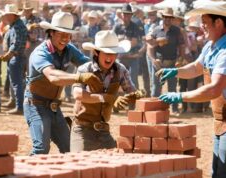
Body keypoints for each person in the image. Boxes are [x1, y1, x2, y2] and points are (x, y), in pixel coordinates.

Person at [156, 2, 226, 178]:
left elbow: (214, 90)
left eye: (205, 22)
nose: (202, 26)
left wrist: (180, 96)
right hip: (221, 121)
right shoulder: (211, 46)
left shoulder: (225, 51)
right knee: (217, 171)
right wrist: (176, 72)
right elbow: (196, 68)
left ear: (218, 23)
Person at [23, 11, 102, 155]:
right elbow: (53, 76)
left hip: (54, 108)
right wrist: (80, 77)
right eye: (61, 34)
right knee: (41, 149)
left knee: (70, 148)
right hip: (35, 105)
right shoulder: (40, 53)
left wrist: (108, 68)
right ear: (51, 33)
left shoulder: (69, 50)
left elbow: (89, 65)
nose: (65, 38)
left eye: (68, 35)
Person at [71, 30, 144, 152]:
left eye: (114, 53)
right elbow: (77, 94)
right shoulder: (85, 69)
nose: (110, 57)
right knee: (79, 163)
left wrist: (136, 96)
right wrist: (106, 98)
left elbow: (132, 92)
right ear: (96, 52)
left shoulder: (120, 70)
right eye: (106, 53)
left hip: (104, 130)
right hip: (82, 129)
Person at [146, 7, 185, 115]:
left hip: (172, 62)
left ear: (172, 18)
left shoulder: (177, 31)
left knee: (172, 88)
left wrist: (181, 58)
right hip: (158, 63)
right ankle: (154, 110)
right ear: (162, 17)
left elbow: (182, 46)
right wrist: (153, 59)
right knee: (156, 87)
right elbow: (149, 46)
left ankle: (175, 109)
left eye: (169, 17)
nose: (167, 19)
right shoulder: (156, 30)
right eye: (165, 17)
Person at [0, 4, 28, 114]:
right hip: (15, 57)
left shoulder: (17, 26)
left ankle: (19, 107)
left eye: (7, 15)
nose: (5, 17)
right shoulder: (15, 25)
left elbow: (17, 43)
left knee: (17, 83)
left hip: (16, 57)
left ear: (12, 15)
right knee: (14, 82)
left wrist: (9, 54)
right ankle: (15, 102)